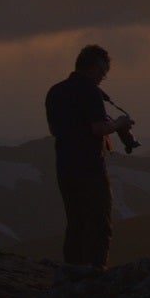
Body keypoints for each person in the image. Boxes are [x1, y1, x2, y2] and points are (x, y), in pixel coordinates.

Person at [45, 44, 131, 271]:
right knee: (99, 222)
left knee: (76, 222)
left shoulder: (55, 91)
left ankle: (73, 272)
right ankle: (96, 273)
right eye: (103, 72)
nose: (103, 77)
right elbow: (99, 128)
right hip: (90, 167)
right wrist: (120, 124)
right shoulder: (90, 91)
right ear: (94, 68)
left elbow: (55, 129)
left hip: (65, 166)